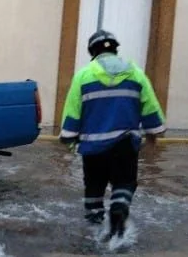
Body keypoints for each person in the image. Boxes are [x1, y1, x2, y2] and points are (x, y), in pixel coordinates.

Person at [60, 30, 166, 238]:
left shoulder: (83, 75)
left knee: (94, 186)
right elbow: (149, 104)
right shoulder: (135, 73)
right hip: (124, 144)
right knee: (124, 182)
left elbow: (73, 110)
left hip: (93, 147)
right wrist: (153, 133)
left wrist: (68, 138)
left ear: (92, 51)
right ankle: (118, 207)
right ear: (116, 50)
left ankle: (93, 229)